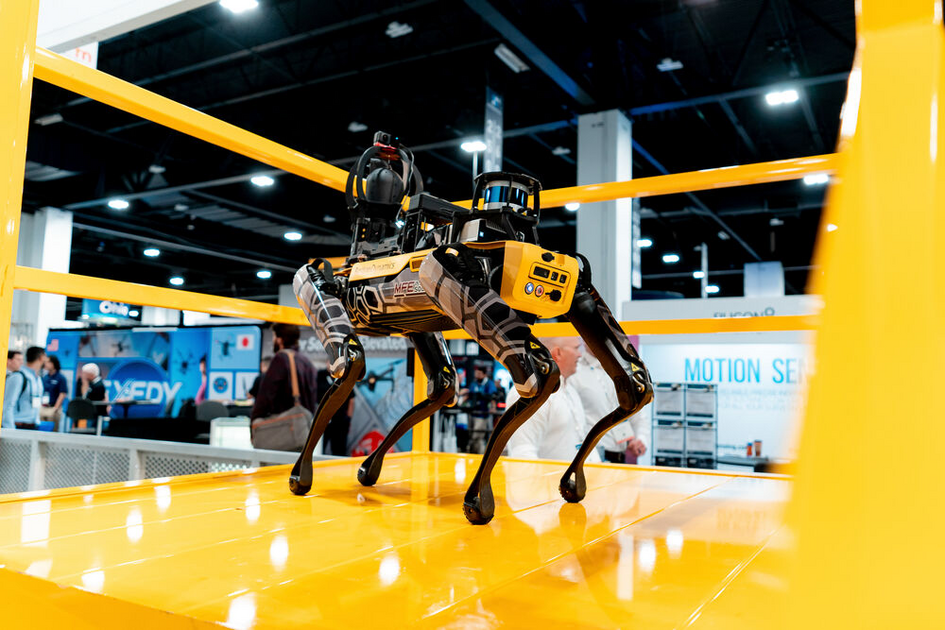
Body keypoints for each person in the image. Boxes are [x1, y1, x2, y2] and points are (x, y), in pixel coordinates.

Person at [505, 337, 601, 463]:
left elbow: (583, 438)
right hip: (550, 476)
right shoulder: (531, 394)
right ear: (558, 353)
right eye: (576, 348)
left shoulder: (570, 390)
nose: (580, 354)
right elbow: (523, 453)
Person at [570, 346, 651, 463]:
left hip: (620, 457)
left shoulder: (624, 369)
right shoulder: (574, 371)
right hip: (592, 459)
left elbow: (638, 413)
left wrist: (641, 439)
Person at [251, 324, 318, 422]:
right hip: (304, 423)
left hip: (284, 423)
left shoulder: (281, 359)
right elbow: (312, 396)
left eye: (274, 336)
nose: (273, 340)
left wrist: (254, 419)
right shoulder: (306, 361)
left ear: (279, 340)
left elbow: (266, 395)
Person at [3, 347, 45, 429]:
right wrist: (10, 429)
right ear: (41, 357)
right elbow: (7, 405)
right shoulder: (18, 376)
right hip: (18, 426)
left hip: (33, 425)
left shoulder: (37, 378)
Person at [41, 354, 69, 428]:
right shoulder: (45, 377)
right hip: (44, 407)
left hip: (54, 408)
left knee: (53, 429)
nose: (45, 364)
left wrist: (55, 408)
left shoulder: (61, 378)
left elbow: (62, 394)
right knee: (42, 429)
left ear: (53, 363)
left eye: (48, 362)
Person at [3, 350, 24, 429]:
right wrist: (9, 427)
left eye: (22, 360)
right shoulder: (15, 377)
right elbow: (8, 404)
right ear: (8, 360)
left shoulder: (15, 376)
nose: (21, 363)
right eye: (18, 360)